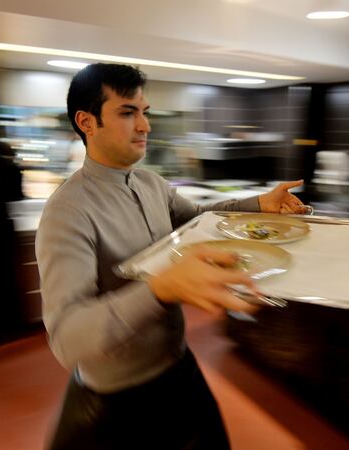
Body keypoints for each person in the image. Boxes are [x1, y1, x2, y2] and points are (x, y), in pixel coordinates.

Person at [35, 63, 308, 450]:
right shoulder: (66, 212)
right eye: (127, 113)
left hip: (179, 368)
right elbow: (67, 338)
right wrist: (160, 289)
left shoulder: (151, 183)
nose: (145, 126)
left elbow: (197, 219)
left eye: (144, 112)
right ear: (87, 122)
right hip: (118, 402)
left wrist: (259, 203)